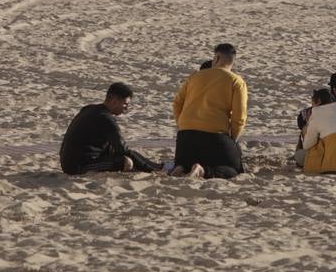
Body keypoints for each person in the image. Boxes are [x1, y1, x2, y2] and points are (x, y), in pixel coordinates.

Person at [171, 43, 247, 179]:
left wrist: (182, 125)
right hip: (214, 135)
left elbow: (177, 104)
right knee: (233, 170)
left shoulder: (194, 76)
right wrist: (232, 140)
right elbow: (239, 116)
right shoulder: (236, 81)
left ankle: (181, 167)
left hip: (185, 136)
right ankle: (203, 171)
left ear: (217, 58)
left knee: (188, 161)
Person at [59, 82, 161, 174]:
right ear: (114, 101)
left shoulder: (89, 109)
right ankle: (155, 169)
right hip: (77, 166)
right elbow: (123, 150)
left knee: (113, 149)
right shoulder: (106, 119)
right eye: (125, 104)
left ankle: (159, 167)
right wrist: (150, 170)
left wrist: (155, 166)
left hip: (69, 161)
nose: (126, 108)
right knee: (125, 162)